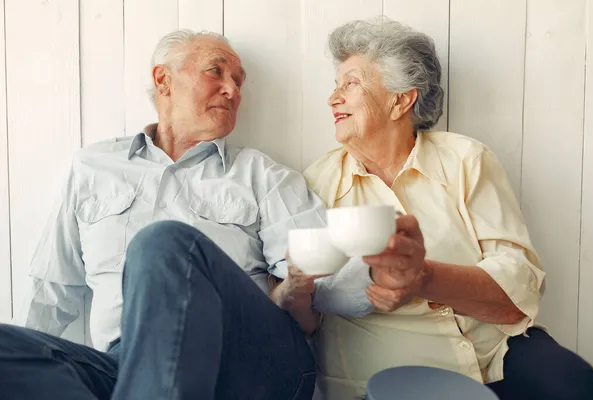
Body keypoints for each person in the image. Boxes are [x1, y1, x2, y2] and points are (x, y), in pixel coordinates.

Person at [0, 29, 371, 400]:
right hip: (125, 362)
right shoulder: (92, 167)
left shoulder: (262, 174)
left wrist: (378, 271)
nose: (233, 90)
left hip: (246, 362)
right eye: (216, 72)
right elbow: (53, 288)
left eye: (238, 82)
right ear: (163, 80)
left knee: (161, 244)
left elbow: (330, 279)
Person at [303, 17, 593, 400]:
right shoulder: (317, 183)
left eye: (352, 83)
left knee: (577, 387)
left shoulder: (466, 159)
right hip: (391, 373)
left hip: (494, 354)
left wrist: (423, 277)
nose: (333, 98)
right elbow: (307, 296)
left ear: (401, 100)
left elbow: (518, 289)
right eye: (336, 85)